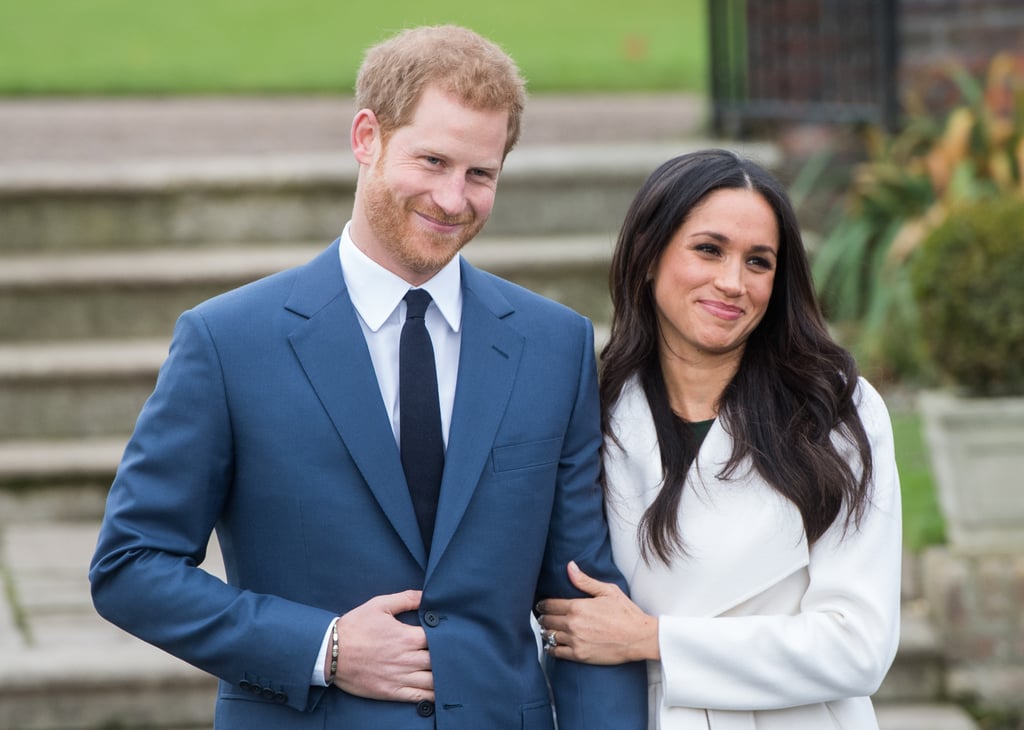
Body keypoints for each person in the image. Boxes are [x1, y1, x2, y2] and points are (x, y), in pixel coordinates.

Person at [89, 25, 647, 729]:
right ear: (366, 138)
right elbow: (130, 567)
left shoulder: (554, 344)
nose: (453, 199)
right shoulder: (228, 341)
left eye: (481, 175)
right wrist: (324, 648)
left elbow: (583, 605)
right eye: (433, 161)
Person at [535, 149, 902, 730]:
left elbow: (858, 646)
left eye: (758, 262)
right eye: (709, 250)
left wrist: (654, 639)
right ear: (648, 256)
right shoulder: (592, 415)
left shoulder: (837, 413)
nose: (732, 283)